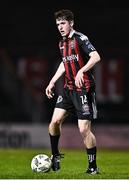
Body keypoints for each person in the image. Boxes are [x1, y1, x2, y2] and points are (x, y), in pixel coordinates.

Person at [45, 9, 101, 174]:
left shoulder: (80, 38)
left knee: (84, 129)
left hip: (84, 89)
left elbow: (96, 57)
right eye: (58, 24)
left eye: (63, 23)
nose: (60, 27)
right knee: (54, 123)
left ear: (71, 23)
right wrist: (52, 81)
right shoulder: (62, 43)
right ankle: (55, 156)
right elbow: (64, 63)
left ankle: (93, 167)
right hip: (68, 89)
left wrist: (81, 71)